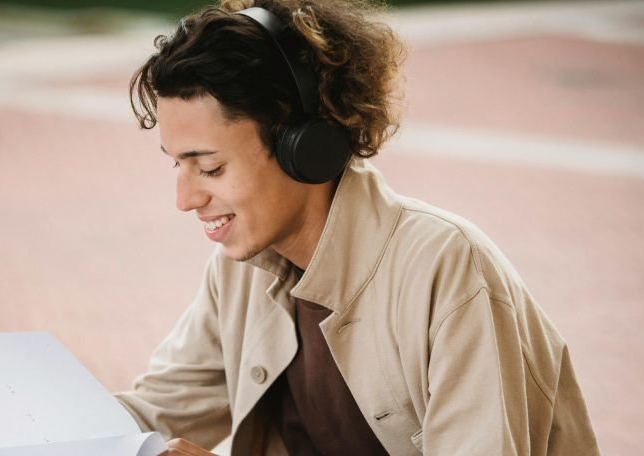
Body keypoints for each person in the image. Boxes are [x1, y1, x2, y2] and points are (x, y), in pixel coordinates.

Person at [117, 0, 600, 454]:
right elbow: (149, 413)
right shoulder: (239, 270)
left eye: (210, 168)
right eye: (177, 164)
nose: (185, 200)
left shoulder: (447, 270)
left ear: (303, 147)